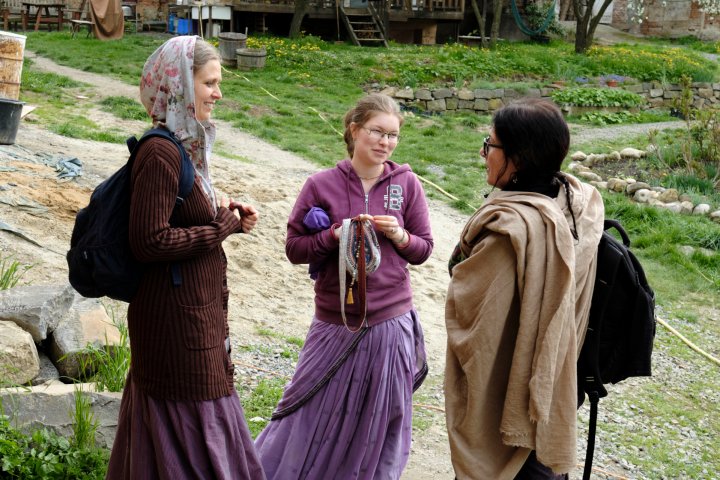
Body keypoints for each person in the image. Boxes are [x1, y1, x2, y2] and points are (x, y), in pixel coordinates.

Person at [105, 36, 265, 480]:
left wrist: (225, 213)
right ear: (179, 84)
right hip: (174, 323)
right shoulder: (160, 152)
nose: (219, 93)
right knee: (192, 430)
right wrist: (220, 228)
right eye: (209, 83)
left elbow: (178, 215)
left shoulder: (183, 146)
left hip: (191, 314)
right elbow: (149, 240)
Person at [254, 93, 434, 479]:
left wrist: (400, 236)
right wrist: (334, 235)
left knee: (377, 420)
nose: (385, 142)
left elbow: (424, 249)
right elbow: (294, 249)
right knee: (308, 409)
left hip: (390, 324)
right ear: (354, 130)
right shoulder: (320, 185)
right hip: (333, 322)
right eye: (377, 132)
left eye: (393, 135)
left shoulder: (407, 184)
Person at [444, 98, 605, 479]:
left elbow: (477, 331)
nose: (483, 153)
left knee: (512, 466)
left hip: (511, 395)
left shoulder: (509, 233)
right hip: (558, 378)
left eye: (490, 144)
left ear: (516, 158)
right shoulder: (580, 206)